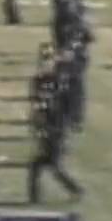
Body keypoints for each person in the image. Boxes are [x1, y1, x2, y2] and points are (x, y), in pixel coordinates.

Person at [27, 58, 83, 203]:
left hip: (56, 135)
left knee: (53, 168)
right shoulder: (47, 87)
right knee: (39, 166)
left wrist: (49, 131)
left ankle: (76, 190)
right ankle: (35, 197)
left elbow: (58, 116)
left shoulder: (59, 93)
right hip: (52, 134)